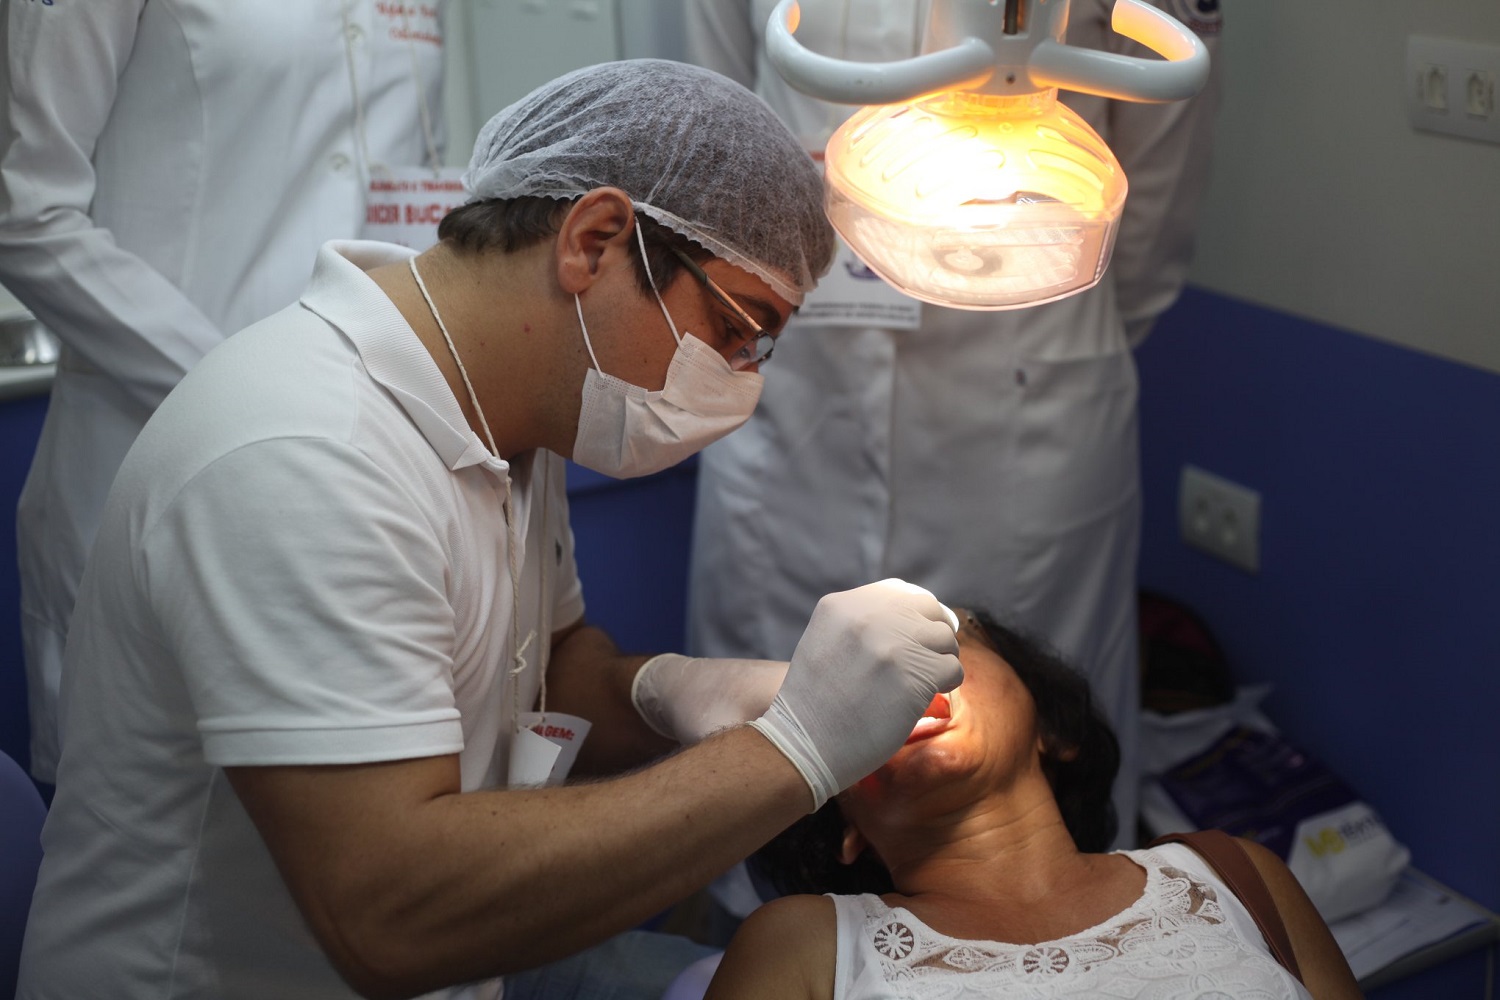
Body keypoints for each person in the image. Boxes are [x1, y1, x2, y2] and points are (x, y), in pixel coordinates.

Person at [15, 60, 967, 1000]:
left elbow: (541, 669)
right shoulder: (307, 454)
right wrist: (795, 752)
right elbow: (390, 914)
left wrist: (674, 692)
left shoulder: (513, 411)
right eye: (733, 329)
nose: (740, 381)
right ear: (593, 240)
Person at [684, 0, 1226, 850]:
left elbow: (1158, 183)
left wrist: (1051, 318)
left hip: (1027, 377)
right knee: (775, 779)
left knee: (1032, 756)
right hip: (800, 381)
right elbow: (709, 113)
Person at [0, 0, 449, 786]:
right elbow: (24, 210)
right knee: (155, 837)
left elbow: (406, 185)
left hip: (373, 447)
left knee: (365, 804)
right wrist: (259, 389)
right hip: (156, 444)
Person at [701, 610, 1363, 1000]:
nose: (903, 680)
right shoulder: (801, 946)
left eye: (942, 639)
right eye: (858, 689)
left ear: (1053, 729)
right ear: (843, 820)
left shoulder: (1234, 878)